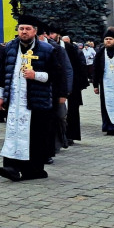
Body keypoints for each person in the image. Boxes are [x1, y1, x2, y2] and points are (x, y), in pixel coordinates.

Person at [0, 15, 64, 181]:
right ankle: (10, 167)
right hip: (14, 99)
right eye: (21, 28)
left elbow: (57, 75)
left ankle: (33, 170)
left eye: (27, 29)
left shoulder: (47, 50)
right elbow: (2, 74)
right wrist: (0, 96)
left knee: (34, 135)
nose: (24, 32)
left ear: (35, 31)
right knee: (13, 131)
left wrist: (36, 75)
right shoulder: (8, 48)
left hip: (36, 100)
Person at [42, 23, 73, 157]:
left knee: (59, 117)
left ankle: (59, 142)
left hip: (55, 90)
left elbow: (66, 71)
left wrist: (65, 92)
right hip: (40, 92)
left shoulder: (55, 49)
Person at [61, 34, 89, 145]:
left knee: (72, 111)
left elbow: (81, 66)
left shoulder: (74, 50)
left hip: (73, 85)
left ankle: (71, 135)